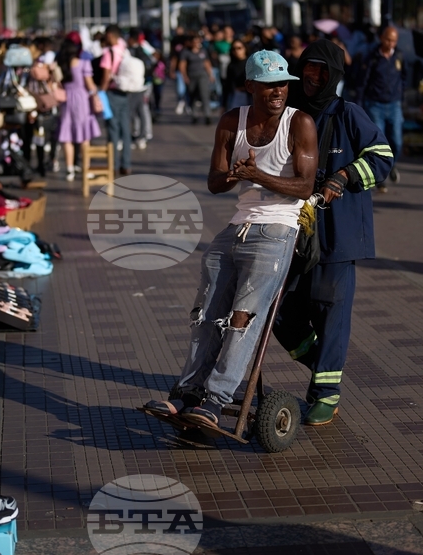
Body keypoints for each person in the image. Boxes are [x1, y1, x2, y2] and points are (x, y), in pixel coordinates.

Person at [143, 51, 319, 428]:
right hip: (237, 226)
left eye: (283, 84)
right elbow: (214, 181)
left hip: (277, 230)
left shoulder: (299, 123)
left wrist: (258, 176)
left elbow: (304, 186)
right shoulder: (231, 122)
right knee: (205, 314)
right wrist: (237, 175)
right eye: (270, 84)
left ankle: (217, 400)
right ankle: (186, 393)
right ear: (249, 86)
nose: (278, 91)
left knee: (243, 318)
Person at [276, 40, 394, 426]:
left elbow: (382, 157)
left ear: (335, 76)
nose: (314, 77)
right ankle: (322, 365)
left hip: (337, 234)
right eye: (309, 68)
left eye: (323, 71)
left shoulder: (349, 113)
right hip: (291, 231)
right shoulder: (289, 115)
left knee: (330, 313)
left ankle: (326, 393)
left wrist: (344, 175)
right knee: (278, 312)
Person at [357, 26, 407, 190]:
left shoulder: (399, 56)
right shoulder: (372, 57)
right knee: (379, 142)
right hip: (375, 105)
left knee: (397, 141)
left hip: (394, 105)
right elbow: (362, 81)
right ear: (381, 38)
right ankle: (380, 177)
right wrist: (360, 104)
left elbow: (404, 78)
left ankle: (390, 165)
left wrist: (401, 98)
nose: (390, 43)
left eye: (393, 40)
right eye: (387, 39)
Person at [57, 35, 101, 182]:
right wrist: (96, 94)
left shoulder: (60, 65)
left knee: (67, 135)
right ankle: (86, 169)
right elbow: (89, 85)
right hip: (82, 100)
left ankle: (69, 169)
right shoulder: (83, 64)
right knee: (84, 136)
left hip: (66, 100)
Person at [98, 25, 134, 175]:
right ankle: (126, 164)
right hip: (125, 93)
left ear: (110, 35)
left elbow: (106, 75)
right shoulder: (124, 48)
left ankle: (113, 164)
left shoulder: (109, 53)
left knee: (113, 129)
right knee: (125, 129)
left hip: (111, 93)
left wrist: (101, 92)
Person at [179, 33, 216, 125]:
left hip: (202, 76)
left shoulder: (203, 51)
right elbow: (182, 65)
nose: (196, 43)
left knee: (204, 95)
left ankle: (208, 116)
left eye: (198, 41)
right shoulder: (186, 52)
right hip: (191, 76)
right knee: (193, 96)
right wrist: (184, 76)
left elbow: (207, 63)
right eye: (194, 41)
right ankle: (194, 115)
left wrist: (210, 75)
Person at [223, 39, 251, 109]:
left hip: (251, 95)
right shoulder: (231, 65)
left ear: (245, 48)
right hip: (237, 95)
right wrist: (223, 104)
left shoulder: (251, 63)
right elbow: (227, 85)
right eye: (234, 49)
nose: (236, 51)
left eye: (239, 48)